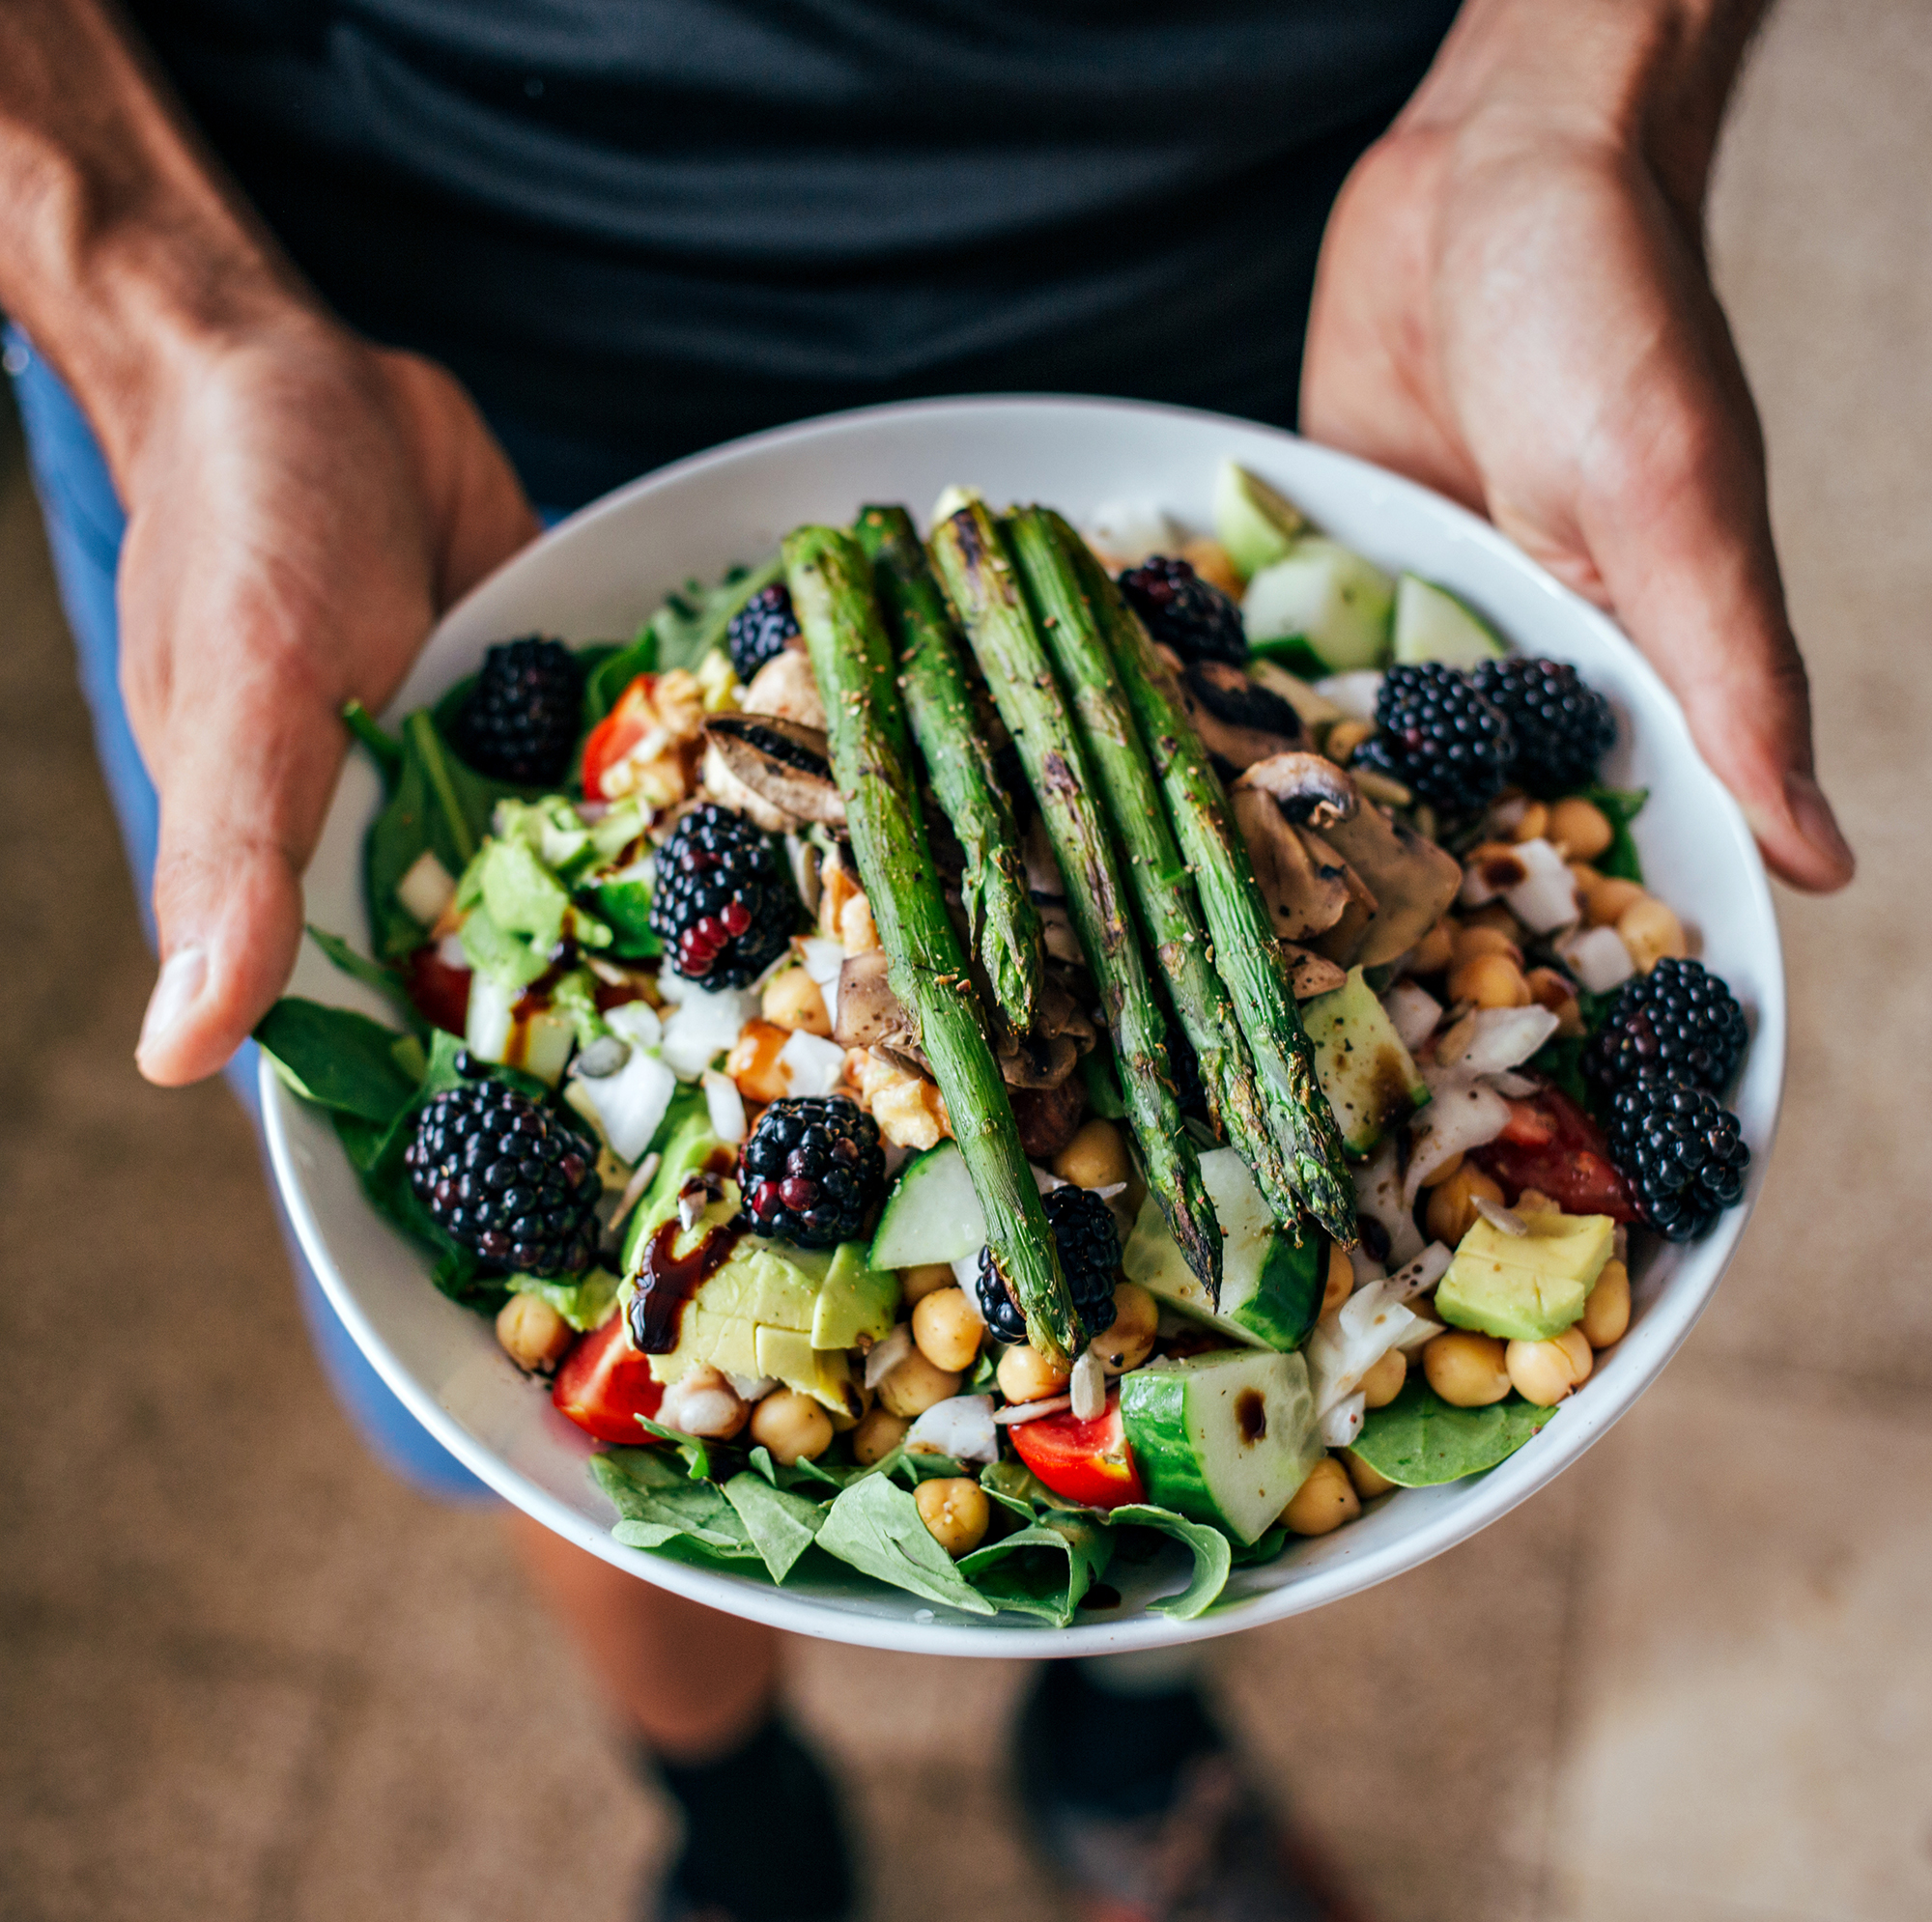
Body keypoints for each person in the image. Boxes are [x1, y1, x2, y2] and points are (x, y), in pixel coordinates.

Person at [0, 1, 1854, 1917]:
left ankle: (1133, 1753)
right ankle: (738, 1825)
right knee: (516, 1423)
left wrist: (1565, 98)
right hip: (353, 314)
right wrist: (144, 293)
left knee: (1252, 1450)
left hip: (1294, 273)